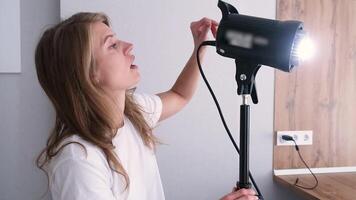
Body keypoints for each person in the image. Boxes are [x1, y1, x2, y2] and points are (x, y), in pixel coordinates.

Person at [35, 12, 258, 200]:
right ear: (86, 73)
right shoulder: (79, 160)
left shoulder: (132, 114)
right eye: (112, 45)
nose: (129, 46)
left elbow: (179, 95)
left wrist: (200, 47)